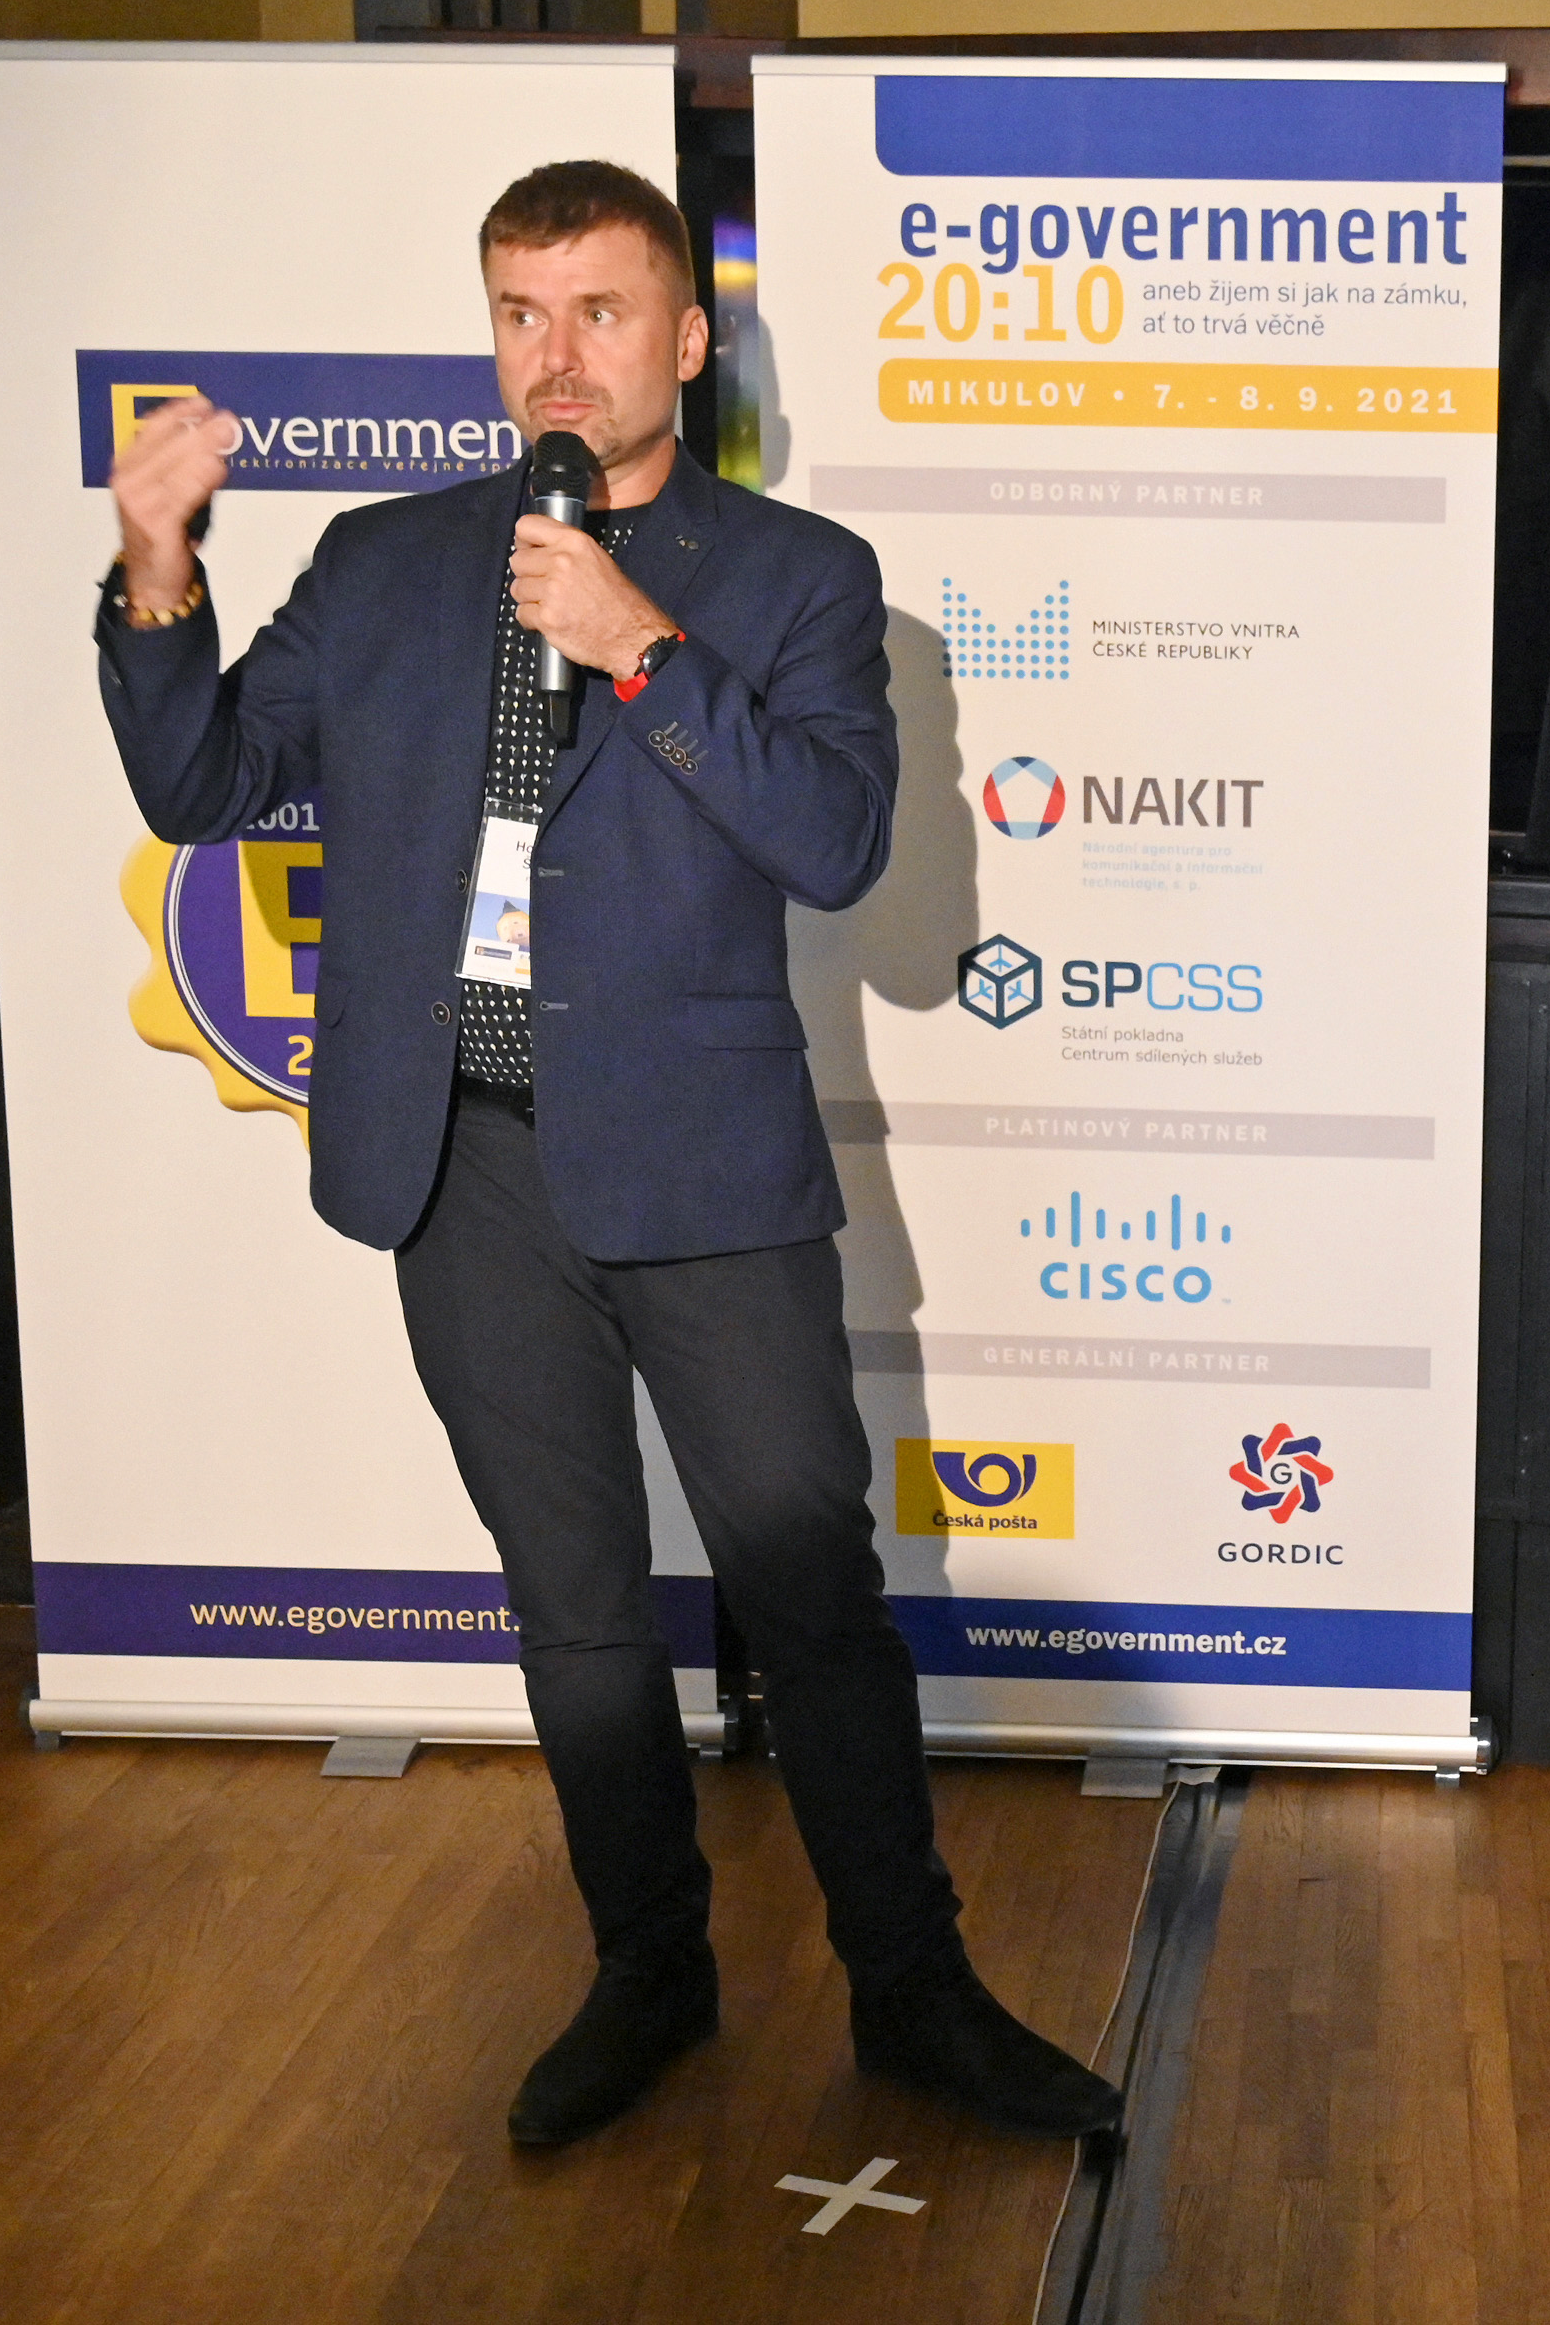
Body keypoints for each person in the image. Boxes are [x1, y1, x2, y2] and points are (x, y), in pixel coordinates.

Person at [94, 161, 1121, 2149]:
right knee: (571, 1607)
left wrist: (642, 645)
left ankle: (913, 1991)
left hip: (703, 1168)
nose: (552, 359)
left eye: (598, 312)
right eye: (518, 313)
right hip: (461, 1164)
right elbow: (202, 781)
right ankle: (650, 1969)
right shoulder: (386, 562)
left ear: (687, 338)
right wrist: (156, 568)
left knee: (805, 1586)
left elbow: (836, 846)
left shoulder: (797, 577)